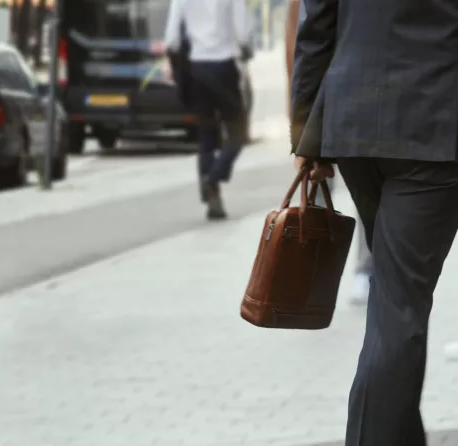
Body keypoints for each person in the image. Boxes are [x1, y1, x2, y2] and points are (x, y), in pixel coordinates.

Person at [290, 0, 458, 444]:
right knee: (399, 305)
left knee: (394, 295)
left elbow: (316, 24)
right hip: (431, 127)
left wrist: (305, 132)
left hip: (354, 123)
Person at [285, 0, 372, 307]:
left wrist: (301, 126)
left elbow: (305, 43)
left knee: (324, 194)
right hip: (350, 108)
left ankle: (316, 276)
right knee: (353, 200)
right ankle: (347, 272)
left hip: (335, 106)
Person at [164, 0, 253, 220]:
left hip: (196, 69)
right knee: (238, 133)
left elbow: (171, 40)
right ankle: (214, 177)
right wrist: (245, 49)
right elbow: (243, 33)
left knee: (206, 135)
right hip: (224, 68)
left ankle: (213, 199)